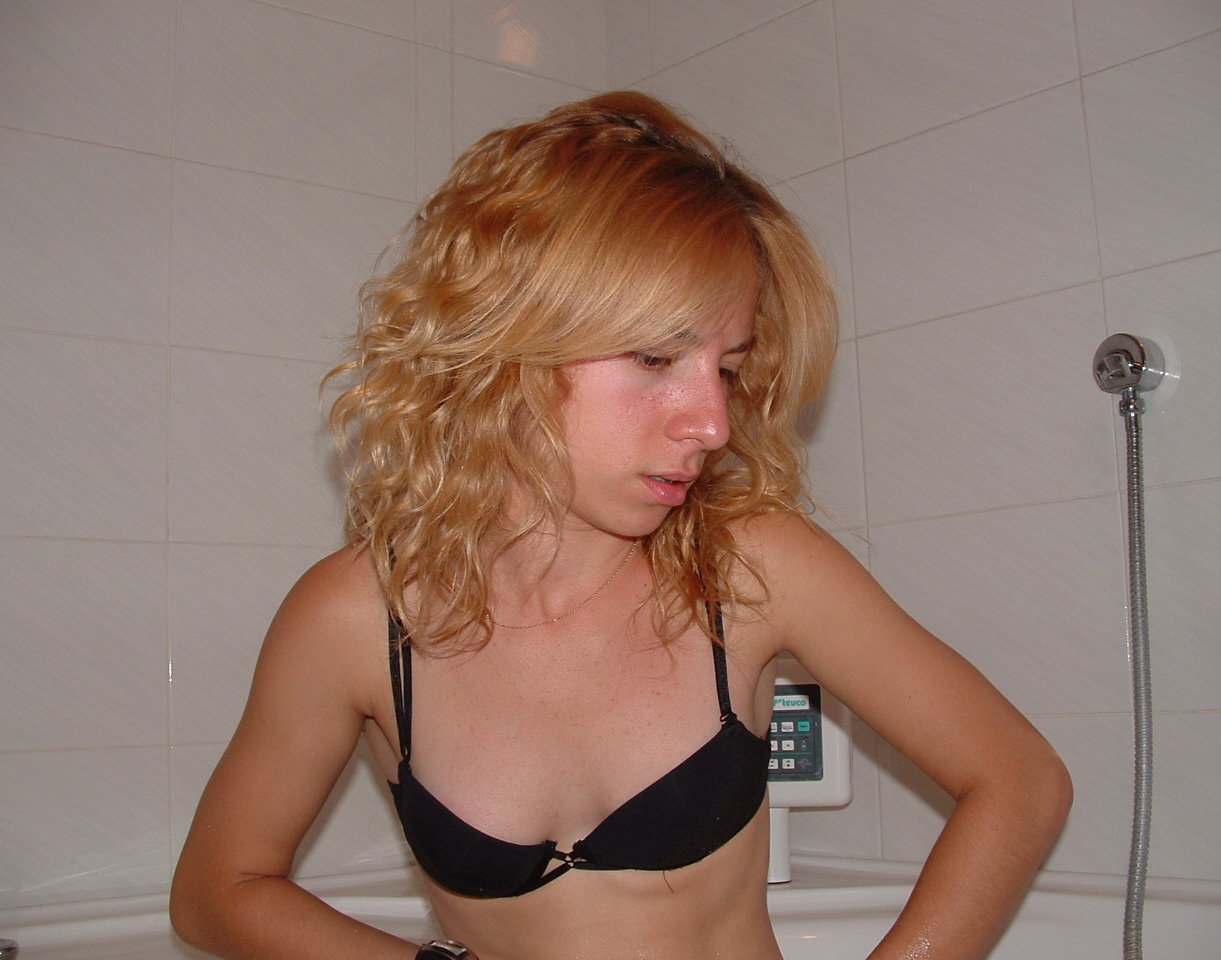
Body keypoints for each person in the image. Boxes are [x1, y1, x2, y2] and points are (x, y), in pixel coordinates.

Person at [170, 91, 1071, 960]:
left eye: (727, 369)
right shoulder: (356, 620)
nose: (712, 424)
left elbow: (1020, 782)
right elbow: (218, 891)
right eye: (656, 357)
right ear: (509, 340)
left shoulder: (749, 569)